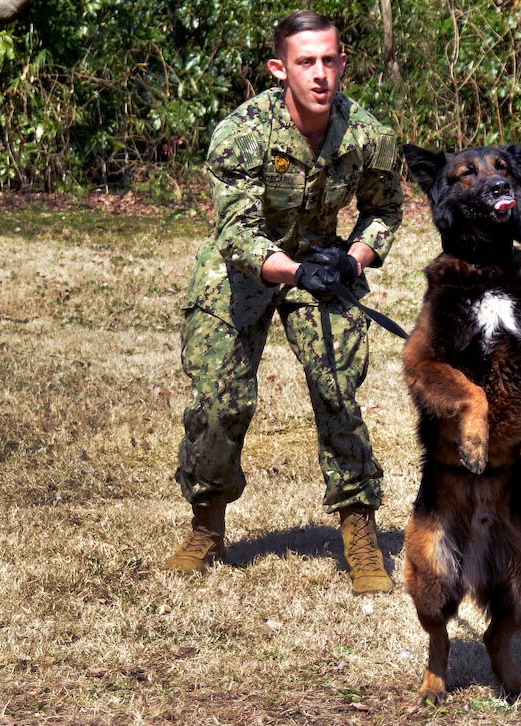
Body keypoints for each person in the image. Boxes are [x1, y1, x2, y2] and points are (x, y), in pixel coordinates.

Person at [162, 9, 403, 595]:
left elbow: (385, 210)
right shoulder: (241, 132)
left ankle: (358, 525)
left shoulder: (368, 134)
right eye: (305, 62)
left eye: (329, 60)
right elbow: (237, 235)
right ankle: (208, 522)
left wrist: (353, 259)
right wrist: (295, 272)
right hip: (243, 269)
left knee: (337, 387)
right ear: (280, 69)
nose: (319, 74)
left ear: (342, 63)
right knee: (220, 400)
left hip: (323, 262)